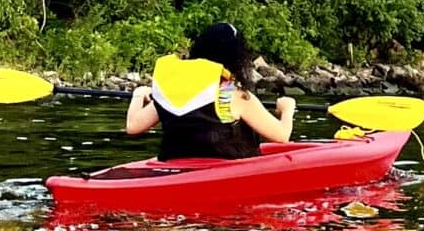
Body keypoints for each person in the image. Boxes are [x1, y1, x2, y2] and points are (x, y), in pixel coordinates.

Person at [126, 22, 296, 159]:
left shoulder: (173, 92)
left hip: (177, 172)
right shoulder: (232, 93)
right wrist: (287, 109)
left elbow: (133, 126)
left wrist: (138, 95)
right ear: (236, 58)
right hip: (227, 175)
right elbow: (281, 136)